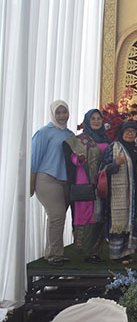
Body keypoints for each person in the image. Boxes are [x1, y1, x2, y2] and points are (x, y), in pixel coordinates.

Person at [63, 109, 110, 263]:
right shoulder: (80, 140)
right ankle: (84, 250)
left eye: (99, 118)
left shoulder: (107, 139)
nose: (96, 121)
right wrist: (79, 158)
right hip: (84, 181)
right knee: (85, 215)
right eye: (93, 118)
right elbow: (74, 158)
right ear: (87, 121)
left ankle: (95, 252)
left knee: (99, 215)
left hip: (102, 183)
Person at [31, 100, 75, 266]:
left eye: (64, 112)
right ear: (52, 114)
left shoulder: (70, 134)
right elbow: (34, 159)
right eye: (58, 113)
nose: (62, 116)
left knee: (57, 218)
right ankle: (53, 256)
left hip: (64, 181)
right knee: (57, 215)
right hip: (47, 179)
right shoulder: (44, 132)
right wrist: (31, 183)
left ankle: (54, 252)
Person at [102, 120, 137, 264]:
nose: (130, 134)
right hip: (116, 193)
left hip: (133, 192)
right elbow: (103, 171)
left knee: (130, 220)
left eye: (133, 131)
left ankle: (126, 252)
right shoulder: (113, 148)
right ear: (121, 133)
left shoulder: (136, 149)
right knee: (118, 220)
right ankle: (116, 254)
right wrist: (116, 164)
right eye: (127, 131)